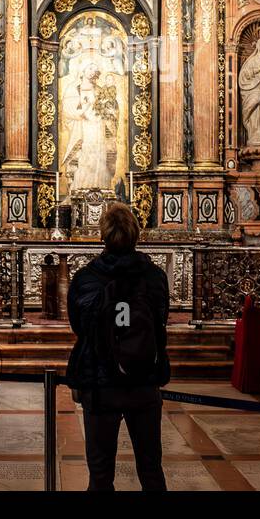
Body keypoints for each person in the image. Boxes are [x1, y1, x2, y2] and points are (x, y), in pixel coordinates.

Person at [66, 202, 170, 490]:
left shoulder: (87, 278)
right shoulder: (154, 277)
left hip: (101, 387)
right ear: (137, 234)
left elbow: (80, 328)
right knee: (151, 469)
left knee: (100, 474)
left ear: (103, 236)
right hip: (144, 382)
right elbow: (161, 321)